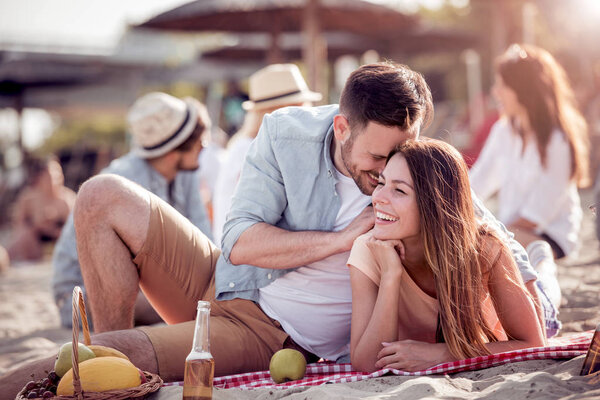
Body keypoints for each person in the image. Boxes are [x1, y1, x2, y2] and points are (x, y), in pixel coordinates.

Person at [0, 62, 553, 395]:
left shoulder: (406, 161)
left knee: (115, 351)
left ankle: (115, 359)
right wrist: (340, 239)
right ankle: (112, 377)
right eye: (377, 158)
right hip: (233, 286)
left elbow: (471, 219)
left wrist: (523, 274)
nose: (387, 173)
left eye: (399, 158)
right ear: (342, 127)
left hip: (270, 333)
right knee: (100, 196)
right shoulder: (288, 134)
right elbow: (236, 243)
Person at [348, 139, 546, 373]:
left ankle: (543, 260)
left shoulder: (484, 247)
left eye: (399, 190)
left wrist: (443, 354)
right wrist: (391, 275)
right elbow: (366, 364)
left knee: (548, 291)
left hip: (532, 299)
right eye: (381, 183)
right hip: (489, 341)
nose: (379, 197)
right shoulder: (368, 249)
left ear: (435, 204)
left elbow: (533, 344)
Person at [51, 92, 213, 328]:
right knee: (201, 307)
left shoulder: (184, 173)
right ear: (173, 152)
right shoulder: (124, 180)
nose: (204, 147)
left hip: (135, 287)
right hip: (80, 297)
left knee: (206, 303)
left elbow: (204, 239)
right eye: (201, 142)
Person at [469, 44, 590, 260]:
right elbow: (476, 183)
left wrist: (487, 233)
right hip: (510, 231)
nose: (495, 92)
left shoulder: (558, 140)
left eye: (502, 86)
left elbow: (537, 214)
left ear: (523, 90)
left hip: (548, 237)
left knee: (482, 248)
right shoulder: (503, 131)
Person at [212, 63, 322, 244]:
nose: (306, 115)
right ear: (276, 112)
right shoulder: (248, 148)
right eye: (299, 107)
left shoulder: (251, 143)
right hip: (242, 251)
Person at [7, 156, 76, 262]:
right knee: (22, 237)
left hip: (60, 237)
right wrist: (35, 227)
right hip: (34, 239)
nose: (54, 179)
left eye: (57, 175)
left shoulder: (67, 199)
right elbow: (19, 223)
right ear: (40, 178)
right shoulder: (29, 198)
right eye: (49, 176)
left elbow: (73, 230)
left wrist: (54, 229)